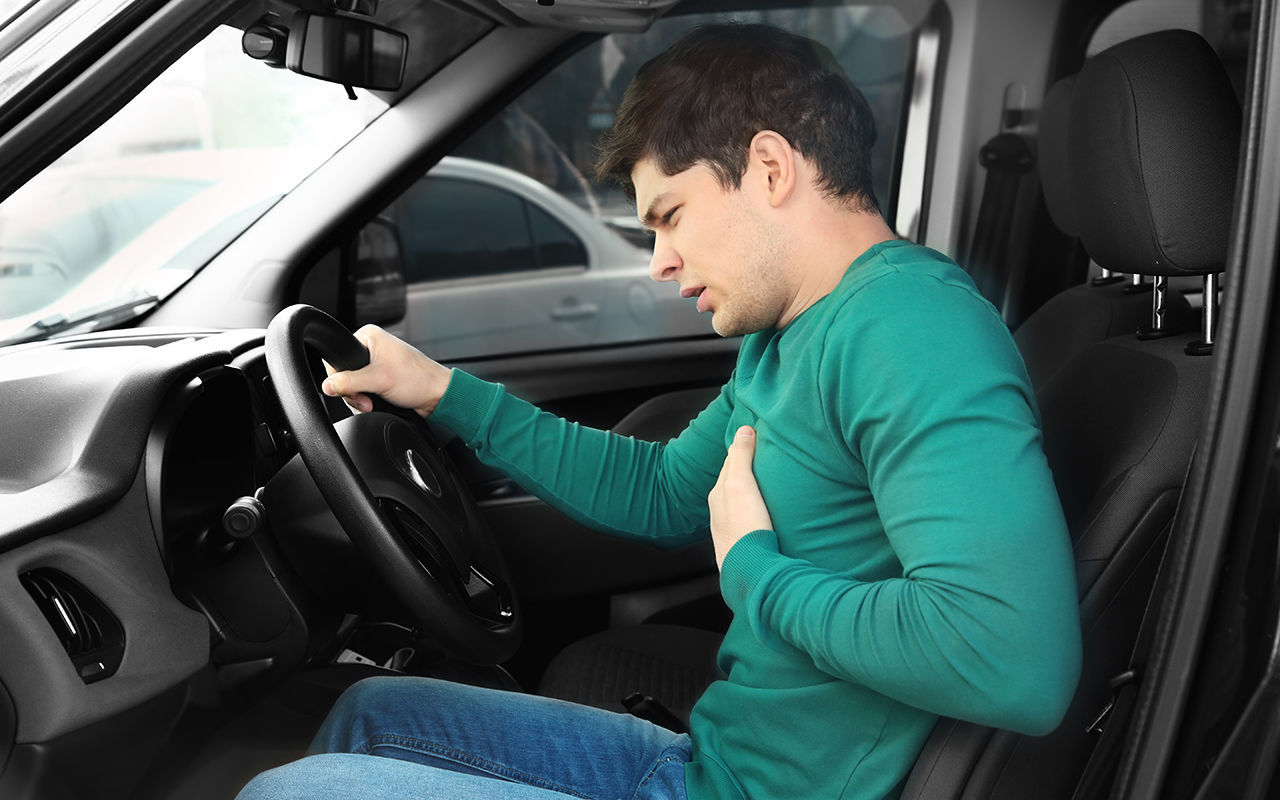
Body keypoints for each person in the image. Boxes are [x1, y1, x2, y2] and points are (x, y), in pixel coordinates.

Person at [237, 22, 1081, 800]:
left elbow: (1011, 660)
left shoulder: (911, 329)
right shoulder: (790, 335)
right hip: (711, 762)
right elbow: (662, 489)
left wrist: (755, 573)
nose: (659, 262)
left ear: (771, 168)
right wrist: (440, 391)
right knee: (372, 712)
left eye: (669, 216)